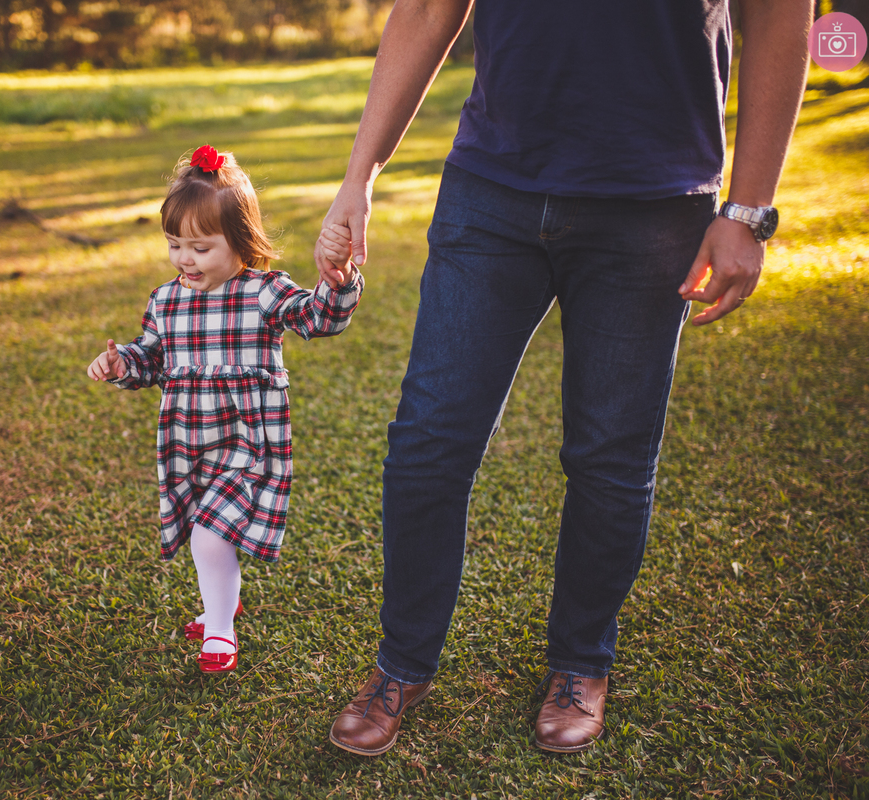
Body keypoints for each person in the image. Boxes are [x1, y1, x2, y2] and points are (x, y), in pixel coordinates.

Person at [314, 0, 812, 755]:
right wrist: (360, 175)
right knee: (428, 441)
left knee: (610, 454)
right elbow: (425, 9)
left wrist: (748, 210)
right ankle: (402, 666)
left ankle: (581, 664)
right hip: (489, 190)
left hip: (656, 204)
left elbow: (781, 15)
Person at [89, 145, 364, 674]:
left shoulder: (262, 292)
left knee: (213, 534)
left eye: (199, 246)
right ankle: (221, 603)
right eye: (174, 245)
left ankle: (220, 631)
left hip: (248, 444)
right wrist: (123, 364)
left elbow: (318, 319)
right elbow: (153, 359)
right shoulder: (166, 300)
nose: (184, 259)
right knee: (203, 533)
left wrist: (339, 284)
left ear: (241, 242)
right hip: (190, 444)